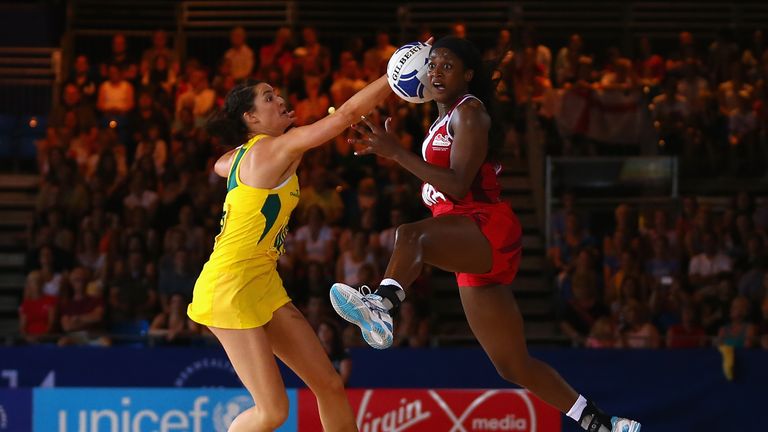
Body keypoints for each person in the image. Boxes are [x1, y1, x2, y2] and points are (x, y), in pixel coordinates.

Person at [330, 36, 640, 432]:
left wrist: (396, 153)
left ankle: (383, 306)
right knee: (512, 365)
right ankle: (601, 422)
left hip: (483, 225)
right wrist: (392, 151)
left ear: (469, 75)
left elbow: (459, 185)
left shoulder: (470, 113)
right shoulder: (443, 118)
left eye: (448, 66)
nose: (437, 72)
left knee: (410, 236)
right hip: (464, 234)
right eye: (434, 64)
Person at [186, 55, 400, 430]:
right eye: (268, 98)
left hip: (262, 282)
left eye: (277, 94)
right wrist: (393, 76)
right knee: (272, 412)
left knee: (329, 384)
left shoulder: (239, 159)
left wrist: (240, 150)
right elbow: (346, 114)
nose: (280, 99)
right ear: (251, 119)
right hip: (229, 286)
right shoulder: (276, 149)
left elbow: (220, 163)